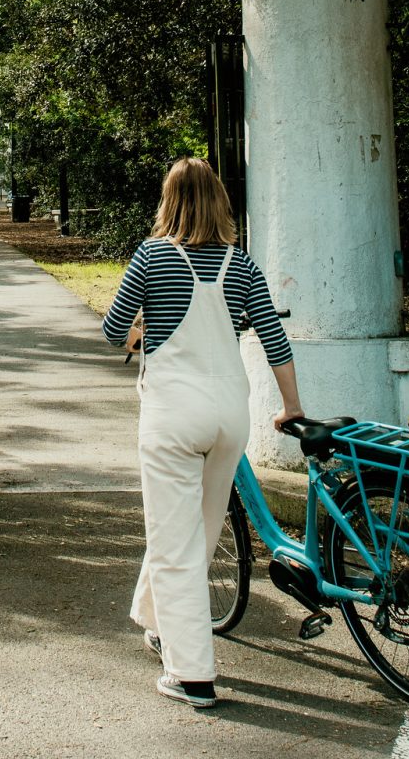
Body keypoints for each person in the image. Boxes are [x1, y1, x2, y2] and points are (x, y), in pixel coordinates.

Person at [102, 157, 303, 711]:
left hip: (173, 413)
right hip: (228, 415)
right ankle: (156, 619)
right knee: (199, 532)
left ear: (169, 200)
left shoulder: (151, 256)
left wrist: (142, 330)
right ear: (218, 200)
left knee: (174, 544)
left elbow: (114, 328)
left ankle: (192, 676)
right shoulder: (242, 266)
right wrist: (291, 406)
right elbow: (273, 339)